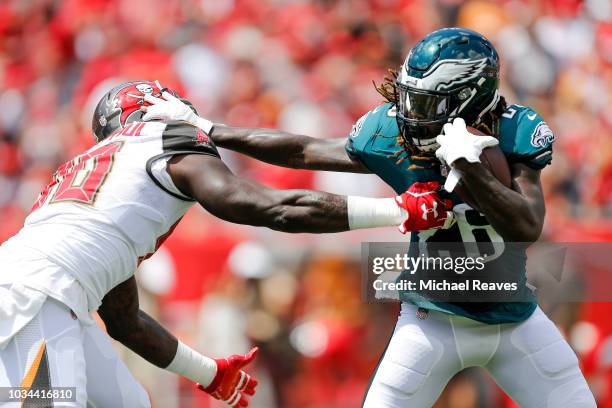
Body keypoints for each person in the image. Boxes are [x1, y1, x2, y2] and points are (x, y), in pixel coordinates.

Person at [145, 28, 597, 407]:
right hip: (431, 322)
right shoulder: (391, 131)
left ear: (471, 97)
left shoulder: (516, 129)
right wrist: (209, 129)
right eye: (410, 99)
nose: (410, 116)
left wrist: (471, 169)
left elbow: (526, 226)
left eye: (428, 105)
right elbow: (304, 150)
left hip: (516, 322)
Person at [0, 80, 453, 407]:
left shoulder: (100, 178)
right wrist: (397, 211)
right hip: (37, 300)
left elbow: (124, 321)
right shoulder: (163, 136)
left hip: (45, 294)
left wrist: (209, 372)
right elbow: (263, 207)